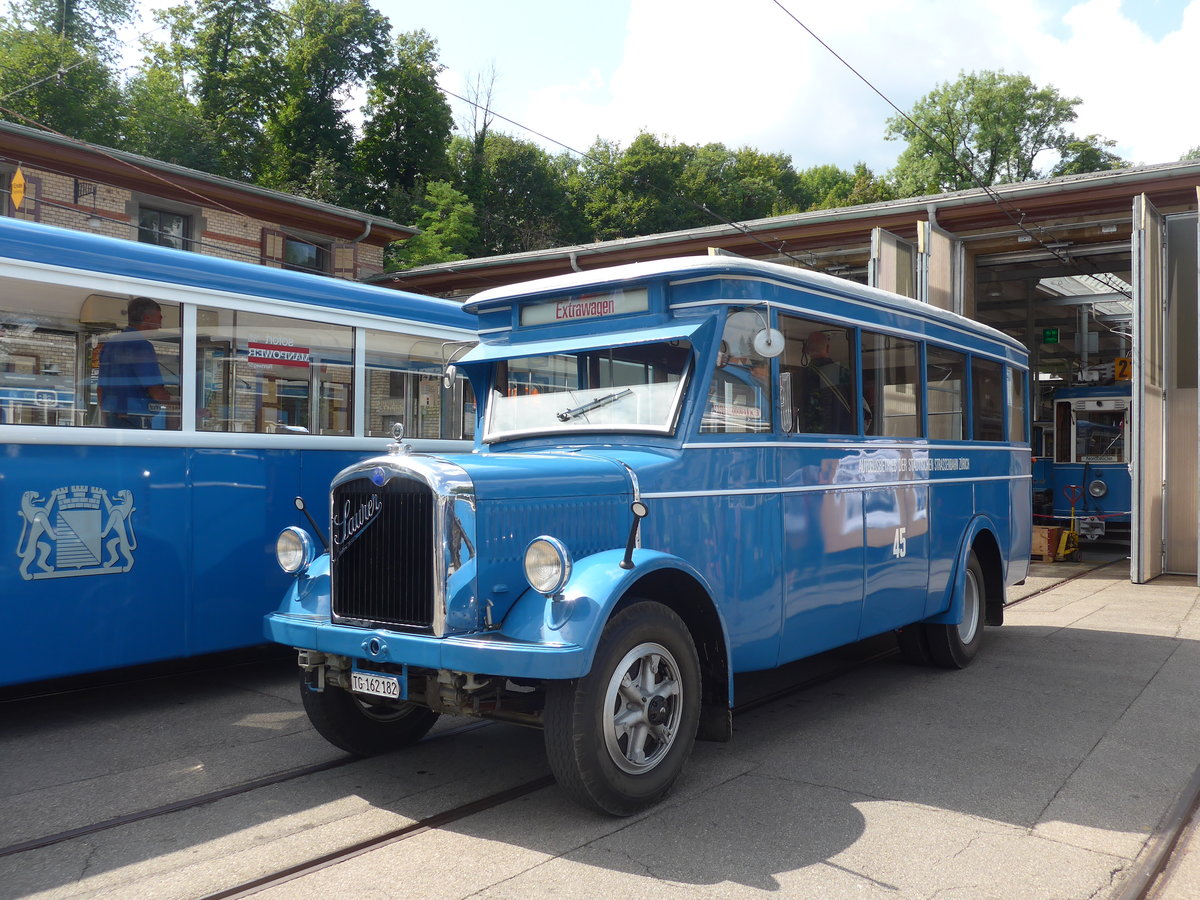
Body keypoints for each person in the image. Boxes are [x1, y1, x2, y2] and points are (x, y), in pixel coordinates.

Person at [98, 297, 170, 428]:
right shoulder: (142, 346)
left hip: (112, 420)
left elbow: (100, 389)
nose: (160, 325)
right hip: (135, 421)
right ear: (147, 318)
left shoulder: (109, 345)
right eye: (159, 318)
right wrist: (184, 407)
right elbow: (155, 391)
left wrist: (106, 418)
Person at [797, 330, 854, 434]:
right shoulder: (843, 373)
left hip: (808, 438)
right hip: (841, 438)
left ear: (806, 350)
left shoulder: (800, 376)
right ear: (828, 348)